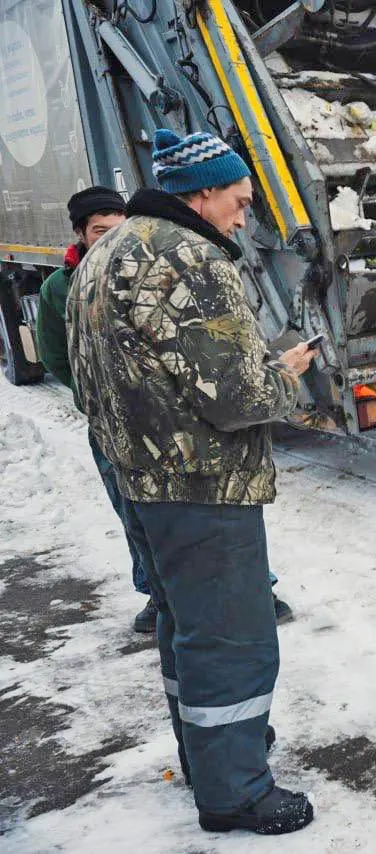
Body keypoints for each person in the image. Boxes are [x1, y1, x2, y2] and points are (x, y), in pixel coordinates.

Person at [66, 128, 316, 835]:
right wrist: (286, 377)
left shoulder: (105, 251)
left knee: (184, 625)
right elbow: (239, 397)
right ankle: (234, 790)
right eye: (238, 202)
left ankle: (207, 752)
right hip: (202, 486)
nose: (244, 217)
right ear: (201, 194)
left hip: (141, 479)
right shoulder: (189, 259)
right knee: (233, 636)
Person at [34, 187, 152, 631]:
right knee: (131, 511)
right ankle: (157, 595)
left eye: (118, 230)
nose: (109, 240)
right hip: (110, 425)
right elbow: (54, 355)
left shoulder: (147, 272)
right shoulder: (58, 288)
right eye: (99, 231)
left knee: (204, 508)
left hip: (164, 420)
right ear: (80, 233)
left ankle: (259, 587)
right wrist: (96, 395)